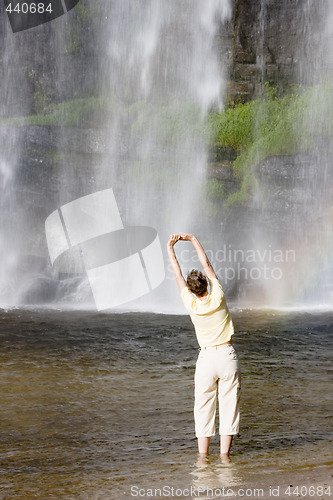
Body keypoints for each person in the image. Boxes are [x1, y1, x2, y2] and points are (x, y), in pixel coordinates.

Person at [167, 232, 240, 460]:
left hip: (206, 359)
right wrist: (193, 238)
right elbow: (206, 263)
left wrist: (171, 248)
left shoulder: (191, 304)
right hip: (227, 355)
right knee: (229, 407)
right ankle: (225, 457)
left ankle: (202, 457)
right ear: (207, 283)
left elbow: (177, 274)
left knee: (203, 407)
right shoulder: (218, 295)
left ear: (191, 290)